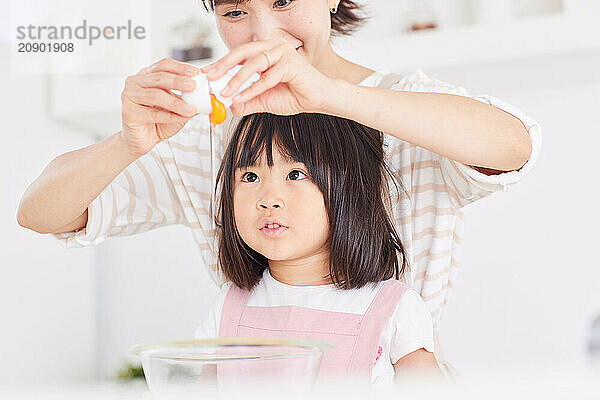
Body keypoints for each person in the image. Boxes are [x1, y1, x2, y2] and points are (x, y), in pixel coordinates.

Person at [17, 0, 542, 377]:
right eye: (235, 11)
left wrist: (332, 97)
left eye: (285, 1)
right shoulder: (206, 133)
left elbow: (515, 145)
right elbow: (40, 212)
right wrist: (127, 143)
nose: (264, 33)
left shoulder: (404, 105)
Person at [194, 112, 440, 386]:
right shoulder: (229, 306)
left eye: (295, 174)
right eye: (250, 177)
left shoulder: (393, 307)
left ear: (348, 187)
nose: (268, 200)